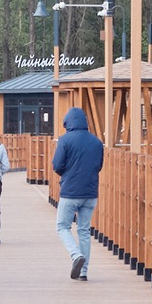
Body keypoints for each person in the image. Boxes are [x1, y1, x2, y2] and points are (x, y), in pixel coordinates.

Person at [49, 105, 104, 280]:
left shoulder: (65, 140)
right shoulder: (96, 142)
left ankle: (75, 255)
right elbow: (99, 166)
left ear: (68, 123)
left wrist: (67, 174)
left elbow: (57, 165)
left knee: (62, 226)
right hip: (90, 192)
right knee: (84, 230)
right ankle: (84, 272)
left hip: (70, 192)